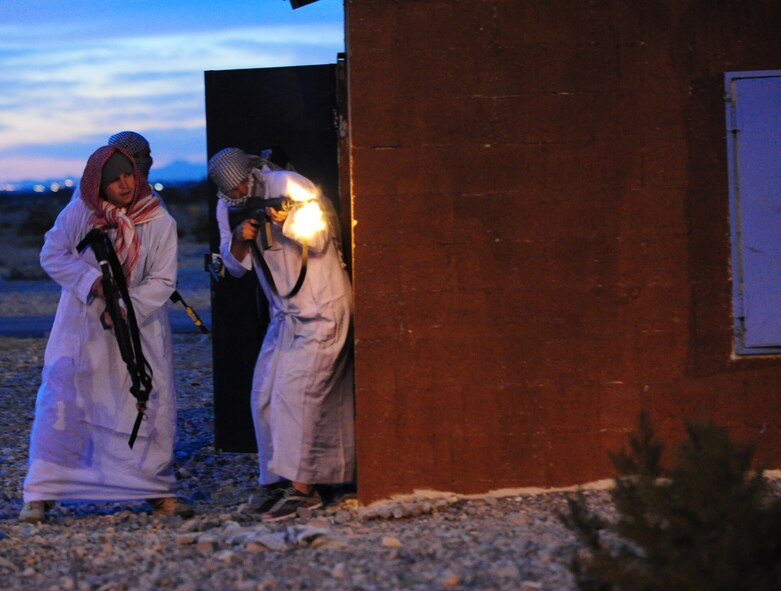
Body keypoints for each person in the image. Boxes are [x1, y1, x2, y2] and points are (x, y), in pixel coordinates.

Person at [19, 145, 192, 523]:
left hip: (138, 328)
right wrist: (92, 282)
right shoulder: (82, 211)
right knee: (64, 402)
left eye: (129, 174)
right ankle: (44, 492)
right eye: (115, 178)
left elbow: (164, 278)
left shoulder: (158, 219)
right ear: (99, 181)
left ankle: (155, 490)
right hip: (83, 326)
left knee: (145, 405)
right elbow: (52, 253)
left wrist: (126, 309)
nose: (125, 184)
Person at [208, 147, 355, 521]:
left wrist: (283, 220)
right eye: (233, 190)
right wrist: (243, 235)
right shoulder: (228, 206)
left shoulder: (289, 185)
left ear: (251, 174)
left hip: (322, 309)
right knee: (265, 396)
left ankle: (303, 491)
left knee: (298, 396)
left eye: (242, 185)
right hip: (286, 317)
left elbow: (319, 239)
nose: (239, 192)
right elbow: (235, 266)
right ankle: (276, 482)